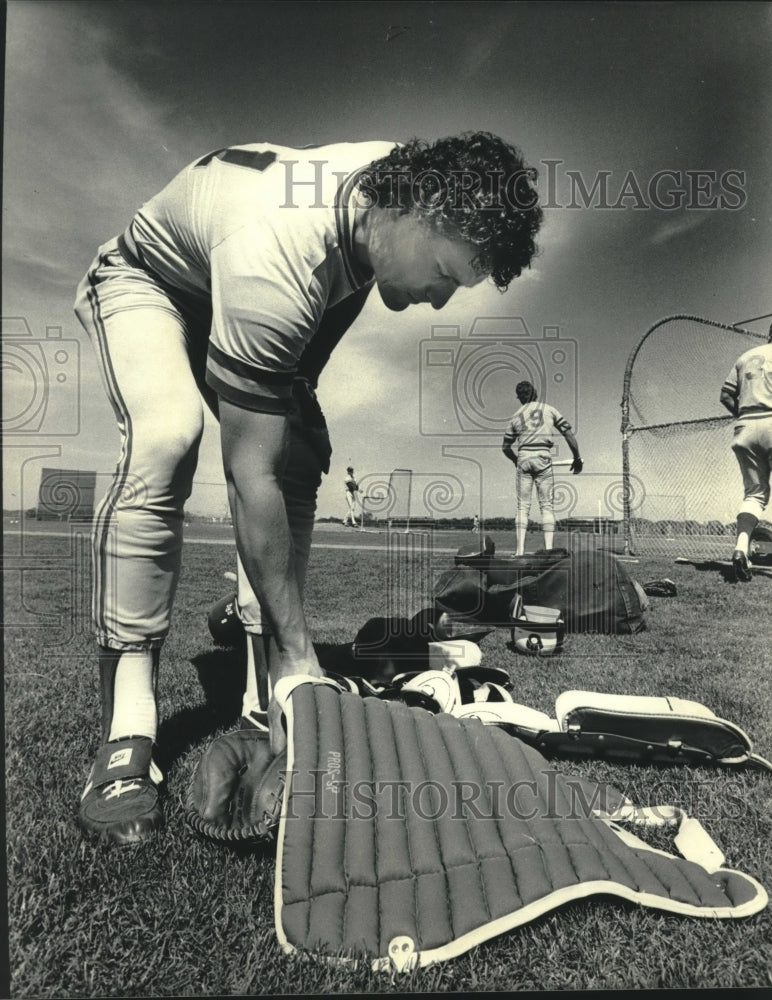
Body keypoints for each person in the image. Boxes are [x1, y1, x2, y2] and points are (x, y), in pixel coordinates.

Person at [73, 131, 543, 844]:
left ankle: (264, 697)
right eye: (446, 273)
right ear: (419, 205)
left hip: (233, 279)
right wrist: (302, 654)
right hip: (150, 283)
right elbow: (245, 473)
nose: (443, 300)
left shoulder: (382, 209)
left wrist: (297, 403)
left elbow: (304, 373)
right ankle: (127, 735)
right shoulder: (284, 250)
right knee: (167, 437)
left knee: (296, 451)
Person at [719, 322, 772, 581]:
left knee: (754, 494)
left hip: (745, 427)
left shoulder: (745, 357)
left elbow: (725, 395)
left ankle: (741, 549)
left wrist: (745, 417)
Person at [501, 380, 582, 556]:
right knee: (547, 506)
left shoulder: (516, 416)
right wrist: (576, 458)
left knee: (523, 506)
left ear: (519, 398)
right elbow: (568, 434)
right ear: (535, 393)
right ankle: (548, 551)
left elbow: (505, 447)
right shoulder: (549, 409)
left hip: (523, 457)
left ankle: (520, 551)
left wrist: (515, 460)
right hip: (543, 456)